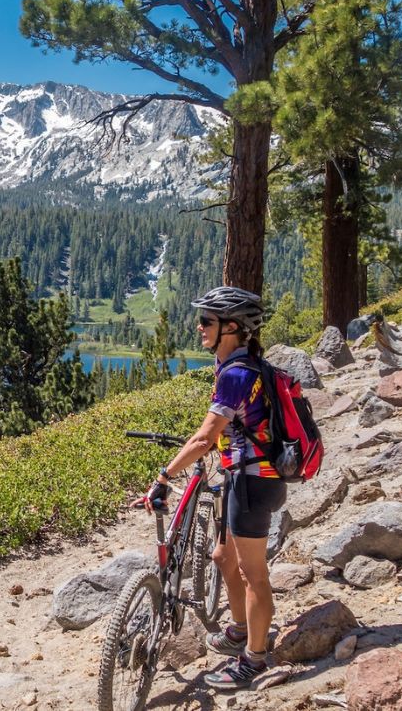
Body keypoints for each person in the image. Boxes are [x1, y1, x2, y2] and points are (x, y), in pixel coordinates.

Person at [133, 286, 286, 691]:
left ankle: (253, 660)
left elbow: (204, 438)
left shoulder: (236, 373)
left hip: (255, 482)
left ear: (232, 327)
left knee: (254, 575)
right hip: (242, 478)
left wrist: (164, 475)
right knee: (222, 556)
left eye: (207, 321)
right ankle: (239, 630)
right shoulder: (236, 365)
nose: (199, 326)